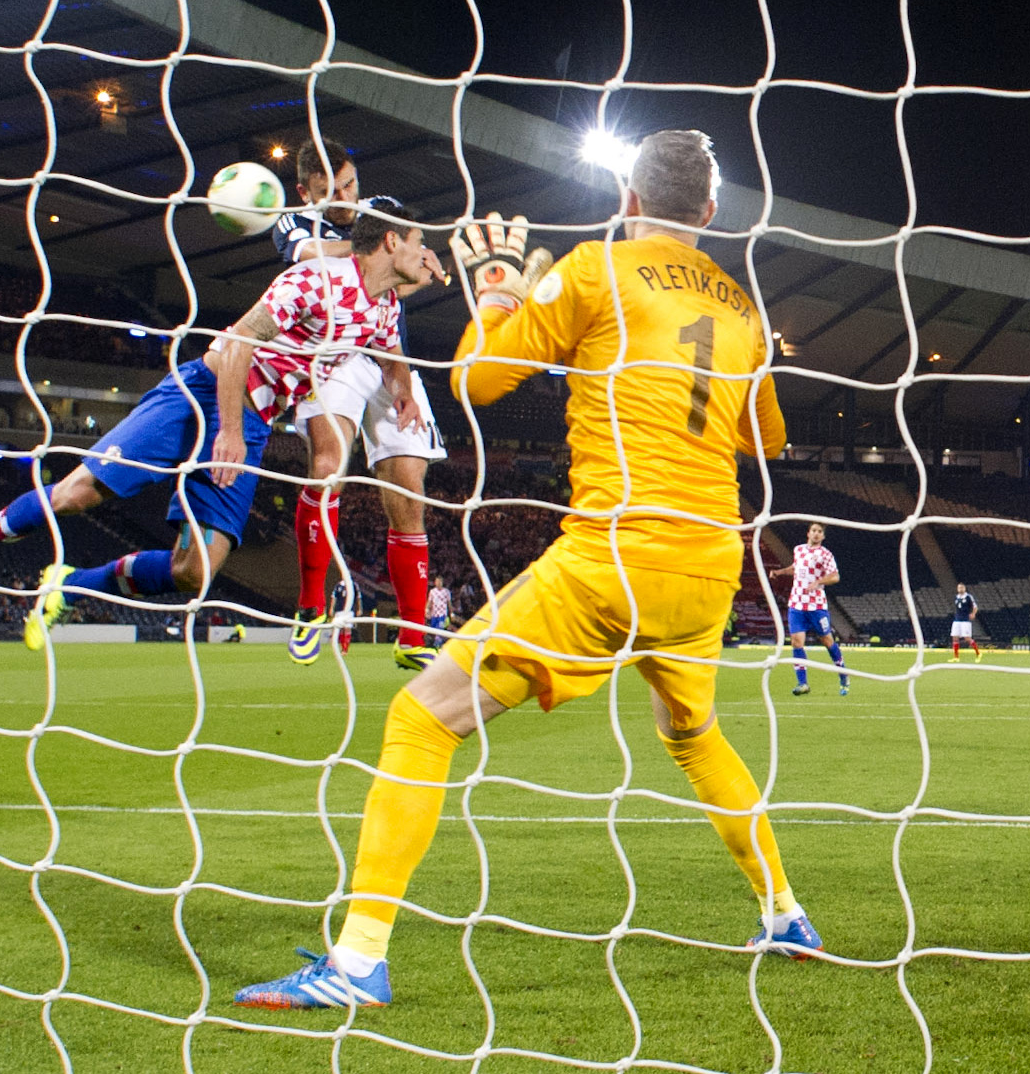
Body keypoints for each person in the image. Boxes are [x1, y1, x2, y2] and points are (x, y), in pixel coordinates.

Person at [235, 130, 816, 1010]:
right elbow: (764, 440)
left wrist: (499, 290)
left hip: (616, 552)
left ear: (627, 201)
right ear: (707, 212)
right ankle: (783, 911)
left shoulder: (595, 268)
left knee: (421, 720)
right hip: (711, 565)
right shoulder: (737, 303)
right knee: (691, 736)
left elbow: (476, 380)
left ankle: (356, 964)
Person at [0, 212, 433, 648]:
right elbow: (238, 342)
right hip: (205, 394)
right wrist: (228, 429)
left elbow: (388, 355)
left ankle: (72, 587)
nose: (426, 252)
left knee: (196, 572)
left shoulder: (384, 306)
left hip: (253, 420)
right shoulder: (317, 279)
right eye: (419, 242)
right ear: (391, 241)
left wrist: (402, 386)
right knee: (80, 492)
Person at [273, 138, 451, 672]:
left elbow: (407, 279)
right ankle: (309, 607)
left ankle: (414, 634)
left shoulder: (383, 210)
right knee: (328, 467)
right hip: (332, 353)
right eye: (331, 191)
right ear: (307, 191)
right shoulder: (293, 222)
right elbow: (320, 258)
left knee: (409, 488)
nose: (347, 198)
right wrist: (390, 252)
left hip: (386, 347)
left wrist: (413, 265)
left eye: (350, 185)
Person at [767, 522, 848, 696]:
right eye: (814, 531)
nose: (816, 534)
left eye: (820, 532)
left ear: (823, 536)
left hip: (816, 605)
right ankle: (802, 683)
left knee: (827, 641)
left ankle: (843, 674)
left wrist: (818, 582)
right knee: (796, 642)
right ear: (808, 533)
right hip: (796, 604)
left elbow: (835, 576)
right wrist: (780, 572)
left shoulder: (825, 554)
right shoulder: (799, 550)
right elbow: (796, 568)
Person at [950, 583, 981, 662]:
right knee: (955, 637)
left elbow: (975, 606)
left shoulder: (968, 597)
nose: (960, 589)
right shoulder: (956, 597)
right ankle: (956, 657)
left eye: (961, 587)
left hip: (965, 620)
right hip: (957, 620)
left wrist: (973, 613)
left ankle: (978, 653)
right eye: (959, 588)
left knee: (967, 638)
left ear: (964, 588)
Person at [425, 574, 452, 647]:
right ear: (435, 582)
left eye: (440, 582)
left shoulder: (446, 592)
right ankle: (432, 643)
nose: (439, 583)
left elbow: (449, 603)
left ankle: (438, 645)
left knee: (440, 629)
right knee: (433, 629)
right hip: (434, 614)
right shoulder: (432, 591)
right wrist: (427, 609)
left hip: (442, 614)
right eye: (437, 581)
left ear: (442, 582)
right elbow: (430, 601)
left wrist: (451, 613)